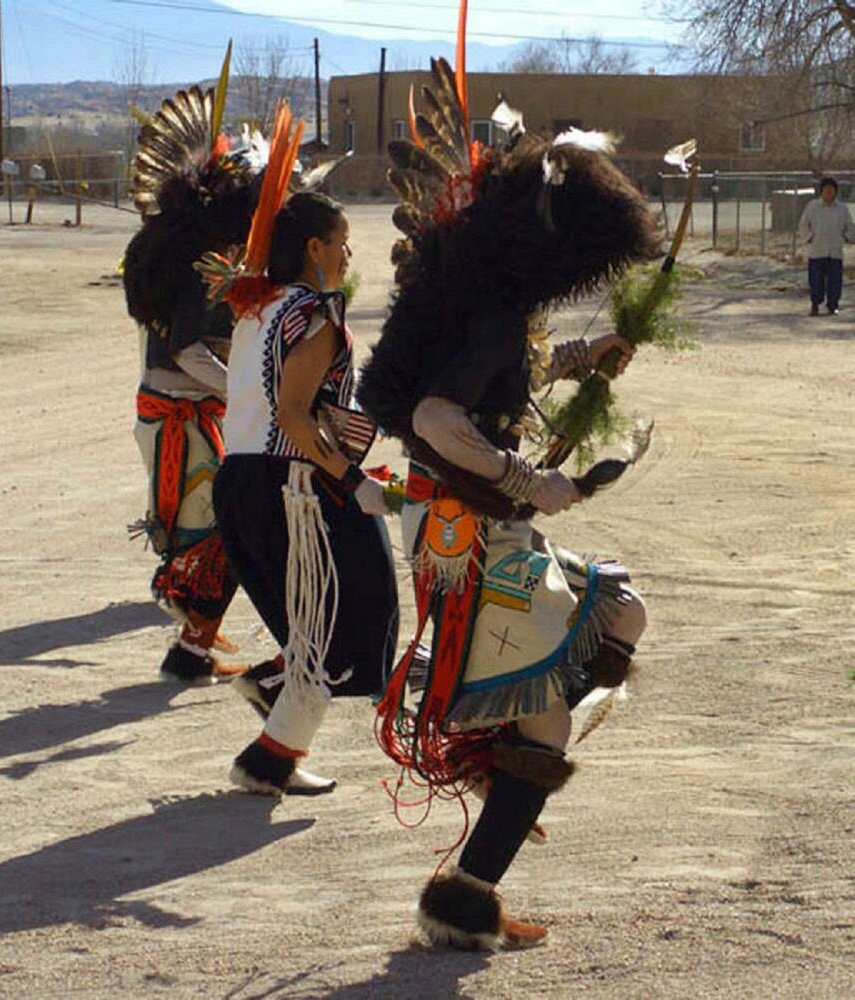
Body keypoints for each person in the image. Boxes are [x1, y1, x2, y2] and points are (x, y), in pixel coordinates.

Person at [357, 55, 660, 948]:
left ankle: (499, 762)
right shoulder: (489, 311)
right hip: (469, 528)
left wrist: (587, 352)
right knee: (550, 714)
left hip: (479, 524)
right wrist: (534, 484)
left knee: (625, 612)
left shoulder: (492, 303)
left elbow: (506, 379)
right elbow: (436, 415)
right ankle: (462, 898)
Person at [212, 190, 399, 796]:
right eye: (341, 240)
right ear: (314, 248)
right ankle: (266, 755)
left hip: (240, 481)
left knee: (320, 626)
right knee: (355, 618)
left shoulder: (256, 308)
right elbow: (292, 415)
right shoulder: (315, 317)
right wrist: (351, 480)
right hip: (289, 487)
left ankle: (275, 710)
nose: (348, 253)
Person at [123, 84, 260, 685]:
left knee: (208, 531)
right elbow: (185, 349)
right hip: (182, 410)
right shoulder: (194, 264)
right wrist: (241, 389)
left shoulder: (188, 255)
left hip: (179, 409)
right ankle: (190, 649)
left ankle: (194, 643)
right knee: (215, 533)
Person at [798, 176, 854, 316]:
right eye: (826, 190)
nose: (829, 193)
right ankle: (815, 304)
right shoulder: (813, 206)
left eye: (831, 190)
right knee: (816, 281)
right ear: (821, 191)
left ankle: (833, 305)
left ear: (835, 192)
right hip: (817, 250)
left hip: (835, 251)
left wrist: (847, 237)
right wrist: (809, 237)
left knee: (835, 282)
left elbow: (850, 226)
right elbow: (803, 224)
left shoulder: (842, 209)